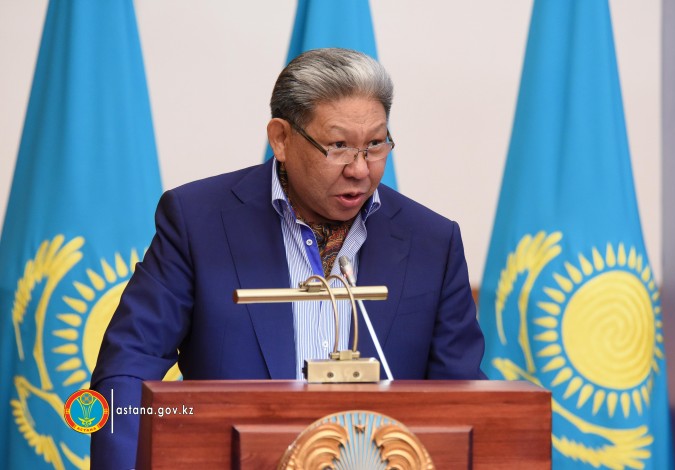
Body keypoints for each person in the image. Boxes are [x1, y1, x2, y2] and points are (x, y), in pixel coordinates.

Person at [90, 47, 486, 469]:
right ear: (281, 138)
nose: (360, 169)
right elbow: (128, 371)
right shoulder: (198, 223)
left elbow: (463, 399)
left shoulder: (432, 241)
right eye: (338, 146)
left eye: (375, 144)